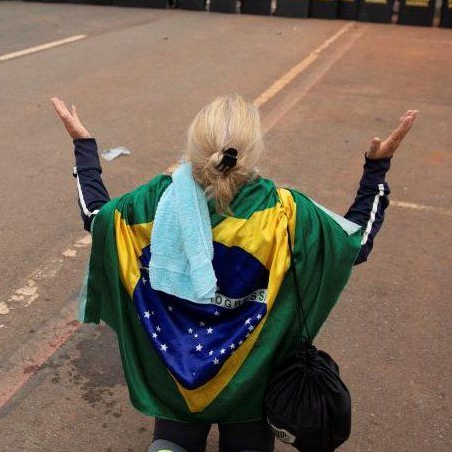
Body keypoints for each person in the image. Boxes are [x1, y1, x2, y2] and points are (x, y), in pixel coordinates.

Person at [50, 94, 417, 452]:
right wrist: (375, 170)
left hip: (174, 380)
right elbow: (355, 244)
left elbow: (97, 218)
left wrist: (84, 146)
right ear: (253, 153)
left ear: (193, 146)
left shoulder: (157, 203)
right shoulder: (286, 214)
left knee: (171, 443)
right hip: (252, 387)